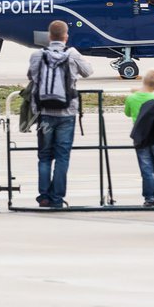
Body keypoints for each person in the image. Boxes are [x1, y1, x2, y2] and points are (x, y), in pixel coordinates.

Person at [26, 20, 93, 209]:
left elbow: (31, 75)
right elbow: (88, 71)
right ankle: (57, 198)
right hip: (67, 112)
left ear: (49, 36)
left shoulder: (37, 55)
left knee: (45, 156)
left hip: (44, 112)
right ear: (66, 36)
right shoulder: (72, 54)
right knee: (62, 156)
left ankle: (44, 196)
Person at [124, 69, 154, 207]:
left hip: (140, 136)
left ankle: (149, 198)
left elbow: (128, 113)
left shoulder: (131, 98)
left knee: (146, 168)